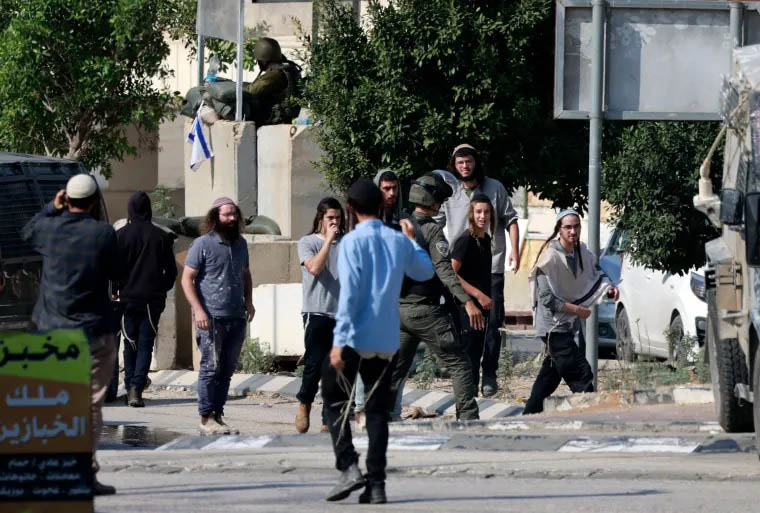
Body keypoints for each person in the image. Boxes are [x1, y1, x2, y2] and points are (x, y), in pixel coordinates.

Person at [321, 179, 433, 504]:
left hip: (355, 335)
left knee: (334, 400)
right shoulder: (397, 240)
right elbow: (425, 272)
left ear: (351, 208)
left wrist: (339, 342)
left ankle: (348, 465)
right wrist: (411, 241)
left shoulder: (351, 242)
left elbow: (350, 295)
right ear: (382, 205)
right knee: (377, 412)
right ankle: (377, 484)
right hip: (385, 338)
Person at [21, 174, 120, 495]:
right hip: (94, 331)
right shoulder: (103, 234)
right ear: (93, 201)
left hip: (52, 332)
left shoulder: (49, 229)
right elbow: (116, 272)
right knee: (90, 405)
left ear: (67, 199)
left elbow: (27, 231)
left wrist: (52, 207)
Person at [390, 173, 480, 422]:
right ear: (433, 201)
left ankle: (379, 416)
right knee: (459, 363)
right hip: (425, 310)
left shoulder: (399, 226)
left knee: (396, 369)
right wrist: (467, 301)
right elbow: (445, 271)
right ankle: (469, 419)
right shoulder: (431, 231)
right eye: (439, 200)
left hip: (400, 311)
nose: (440, 205)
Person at [435, 144, 520, 397]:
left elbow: (511, 220)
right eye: (460, 162)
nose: (465, 166)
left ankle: (489, 373)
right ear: (454, 165)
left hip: (491, 266)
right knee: (466, 328)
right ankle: (467, 380)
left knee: (492, 324)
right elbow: (435, 225)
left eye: (468, 161)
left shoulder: (495, 188)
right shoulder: (449, 193)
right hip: (461, 269)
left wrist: (515, 250)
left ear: (476, 162)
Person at [522, 209, 618, 415]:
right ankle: (593, 416)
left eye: (576, 227)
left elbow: (595, 273)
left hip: (566, 324)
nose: (572, 231)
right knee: (581, 374)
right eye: (568, 227)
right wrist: (577, 310)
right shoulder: (549, 257)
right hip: (553, 326)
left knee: (549, 378)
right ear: (559, 229)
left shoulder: (581, 253)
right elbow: (547, 298)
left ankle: (529, 415)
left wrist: (609, 288)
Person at [181, 197, 255, 435]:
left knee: (226, 370)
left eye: (234, 214)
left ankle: (218, 415)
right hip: (211, 318)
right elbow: (187, 279)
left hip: (236, 316)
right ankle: (205, 418)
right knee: (210, 368)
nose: (231, 219)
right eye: (226, 215)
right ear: (215, 217)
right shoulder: (202, 244)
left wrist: (249, 301)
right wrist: (198, 309)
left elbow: (246, 274)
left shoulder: (241, 244)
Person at [115, 192, 178, 408]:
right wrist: (160, 289)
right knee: (145, 344)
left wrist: (116, 290)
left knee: (129, 342)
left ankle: (130, 386)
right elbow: (171, 272)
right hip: (152, 300)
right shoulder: (161, 237)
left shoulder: (120, 236)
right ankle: (137, 388)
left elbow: (112, 270)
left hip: (126, 299)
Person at [353, 169, 407, 419]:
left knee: (399, 358)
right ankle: (361, 407)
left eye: (394, 188)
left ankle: (392, 409)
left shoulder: (403, 223)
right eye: (386, 189)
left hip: (398, 300)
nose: (391, 193)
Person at [295, 197, 345, 434]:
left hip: (342, 315)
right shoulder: (308, 242)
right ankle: (304, 403)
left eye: (338, 218)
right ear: (321, 219)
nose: (335, 222)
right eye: (330, 218)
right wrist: (328, 242)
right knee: (314, 365)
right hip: (316, 312)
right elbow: (314, 268)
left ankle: (329, 417)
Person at [450, 194, 495, 396]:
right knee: (468, 357)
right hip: (466, 307)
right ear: (471, 214)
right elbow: (451, 273)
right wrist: (477, 295)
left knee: (475, 355)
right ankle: (466, 402)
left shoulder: (485, 239)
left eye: (486, 212)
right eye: (478, 212)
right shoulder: (465, 240)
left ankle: (472, 400)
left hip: (481, 307)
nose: (482, 216)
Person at [246, 37, 303, 125]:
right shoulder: (288, 69)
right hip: (286, 119)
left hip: (274, 121)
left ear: (262, 60)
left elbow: (251, 91)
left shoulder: (275, 74)